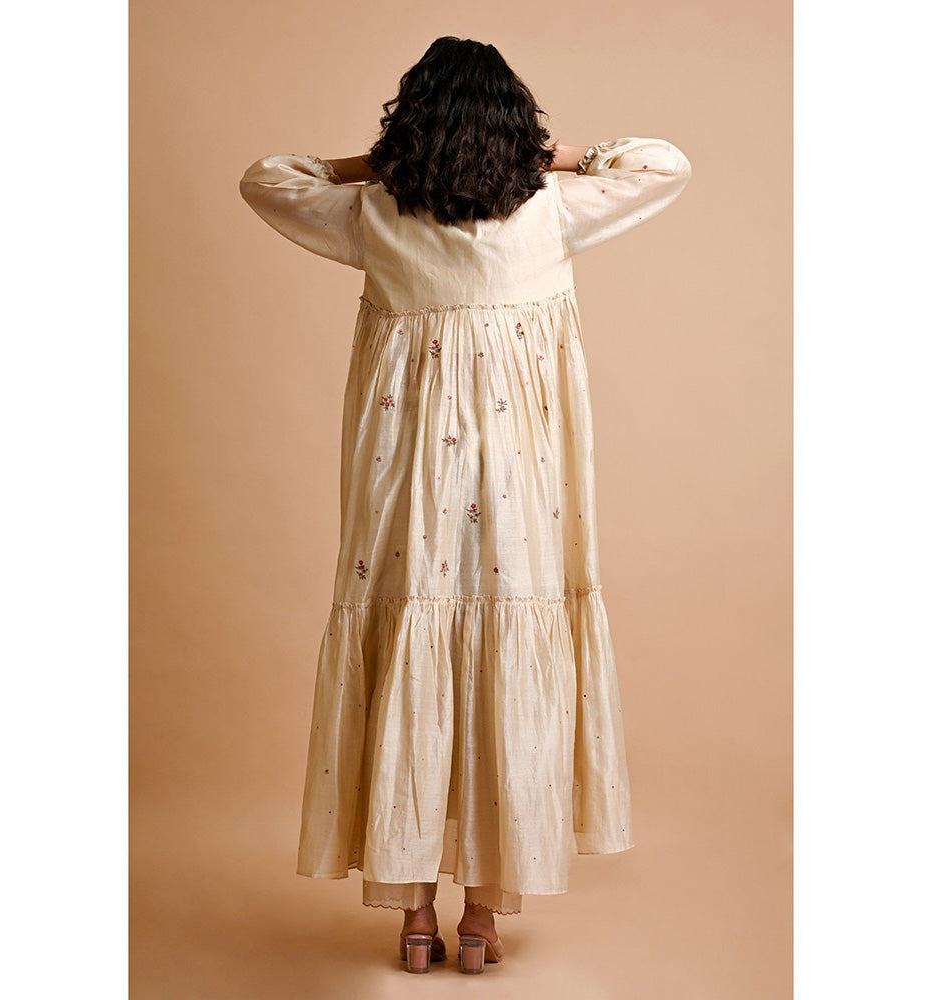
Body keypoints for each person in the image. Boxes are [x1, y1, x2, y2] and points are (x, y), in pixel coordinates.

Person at [239, 35, 691, 975]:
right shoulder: (552, 209)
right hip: (522, 488)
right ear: (513, 127)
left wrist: (381, 164)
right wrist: (549, 156)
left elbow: (269, 177)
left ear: (412, 124)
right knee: (506, 644)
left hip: (406, 481)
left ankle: (414, 919)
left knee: (410, 633)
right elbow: (663, 163)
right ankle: (483, 917)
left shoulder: (376, 214)